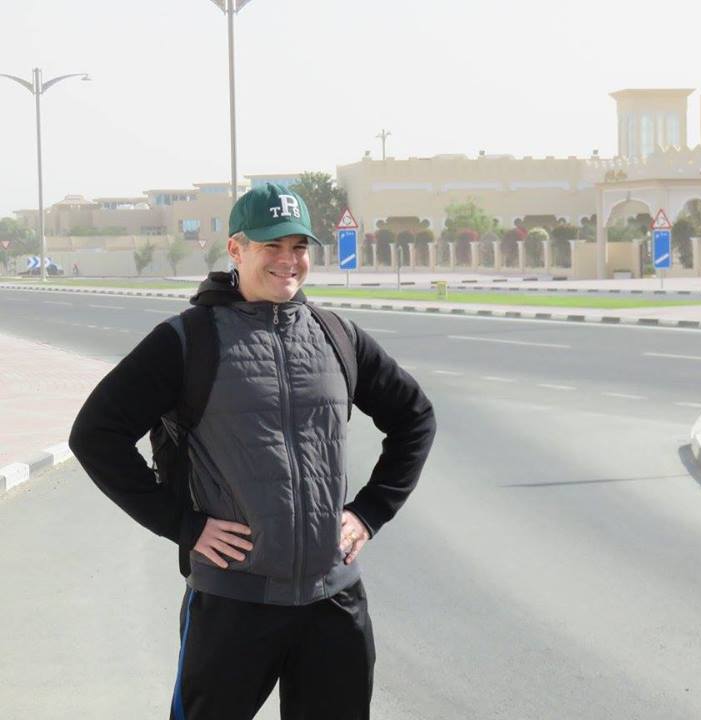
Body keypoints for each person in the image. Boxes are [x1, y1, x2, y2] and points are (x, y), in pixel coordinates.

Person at [69, 183, 436, 719]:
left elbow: (415, 418)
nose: (289, 261)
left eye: (299, 247)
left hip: (332, 603)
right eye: (272, 247)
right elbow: (95, 433)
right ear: (236, 250)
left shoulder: (337, 336)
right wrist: (184, 526)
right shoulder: (188, 340)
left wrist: (369, 511)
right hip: (232, 604)